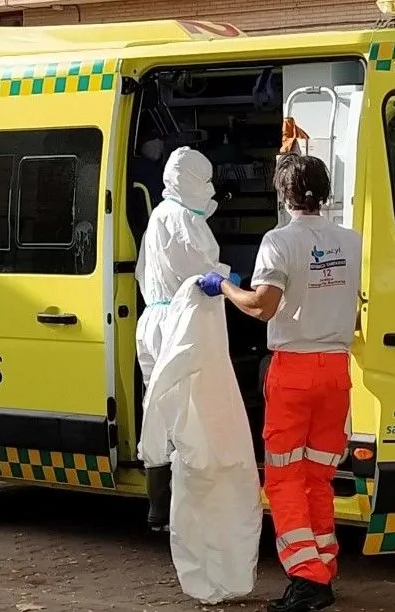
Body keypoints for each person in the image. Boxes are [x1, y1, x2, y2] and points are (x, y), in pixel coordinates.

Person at [196, 154, 361, 612]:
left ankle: (306, 579)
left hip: (294, 370)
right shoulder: (352, 241)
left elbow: (262, 307)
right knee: (319, 475)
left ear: (283, 194)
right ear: (325, 193)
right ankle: (323, 566)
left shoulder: (279, 241)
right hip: (336, 369)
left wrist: (224, 286)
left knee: (285, 476)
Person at [135, 146, 234, 533]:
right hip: (181, 321)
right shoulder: (182, 221)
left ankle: (159, 508)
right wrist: (229, 280)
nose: (208, 189)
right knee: (189, 412)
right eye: (204, 181)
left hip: (155, 320)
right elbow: (205, 276)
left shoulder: (161, 215)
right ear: (190, 181)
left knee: (159, 411)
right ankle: (186, 507)